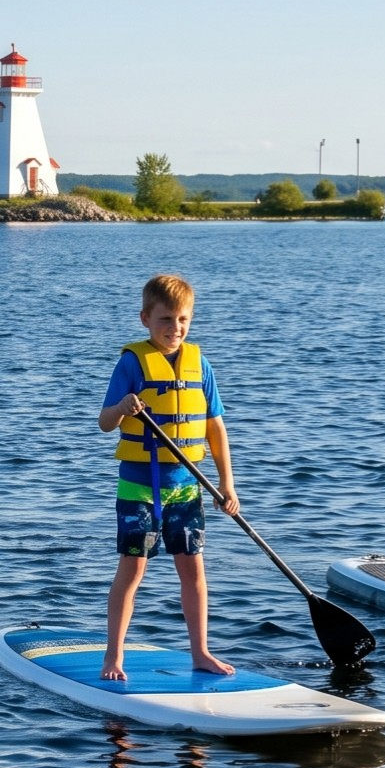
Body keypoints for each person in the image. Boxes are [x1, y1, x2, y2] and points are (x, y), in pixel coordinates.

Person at [95, 274, 239, 683]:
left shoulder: (200, 364)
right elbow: (105, 422)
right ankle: (114, 656)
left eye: (183, 320)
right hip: (139, 485)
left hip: (188, 485)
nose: (175, 329)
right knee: (133, 568)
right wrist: (123, 406)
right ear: (145, 318)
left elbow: (215, 430)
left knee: (193, 570)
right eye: (165, 320)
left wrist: (227, 484)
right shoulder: (130, 363)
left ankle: (201, 652)